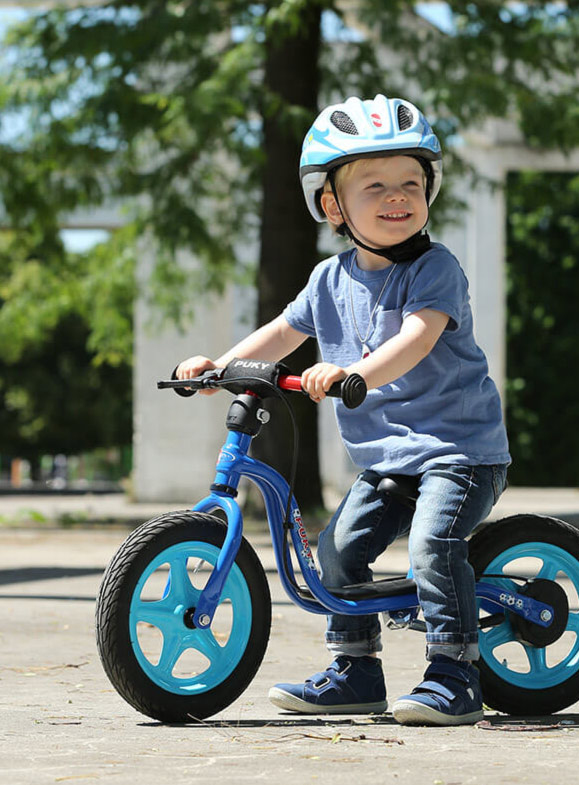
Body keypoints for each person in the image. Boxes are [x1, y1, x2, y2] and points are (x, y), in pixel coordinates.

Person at [177, 94, 510, 726]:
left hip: (457, 453)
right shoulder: (328, 280)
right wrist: (219, 367)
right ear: (332, 206)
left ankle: (456, 673)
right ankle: (356, 672)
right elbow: (281, 332)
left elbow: (417, 338)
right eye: (376, 184)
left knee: (433, 546)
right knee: (336, 551)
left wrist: (356, 373)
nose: (398, 196)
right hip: (385, 461)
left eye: (412, 182)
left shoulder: (435, 269)